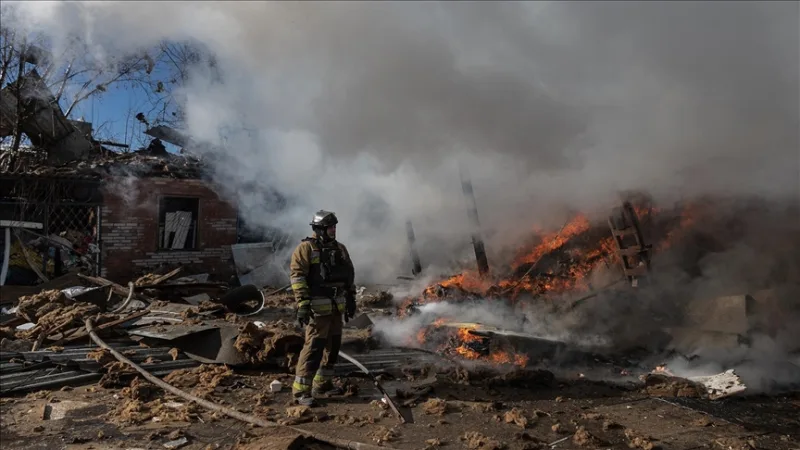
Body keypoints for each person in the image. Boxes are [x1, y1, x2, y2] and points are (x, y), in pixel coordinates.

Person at [290, 210, 357, 406]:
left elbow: (349, 276)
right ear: (319, 229)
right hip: (317, 309)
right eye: (330, 227)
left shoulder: (341, 249)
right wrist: (302, 304)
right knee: (314, 347)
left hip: (337, 307)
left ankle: (323, 383)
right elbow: (297, 277)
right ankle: (301, 391)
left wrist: (351, 299)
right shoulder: (306, 249)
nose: (334, 230)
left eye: (334, 227)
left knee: (333, 346)